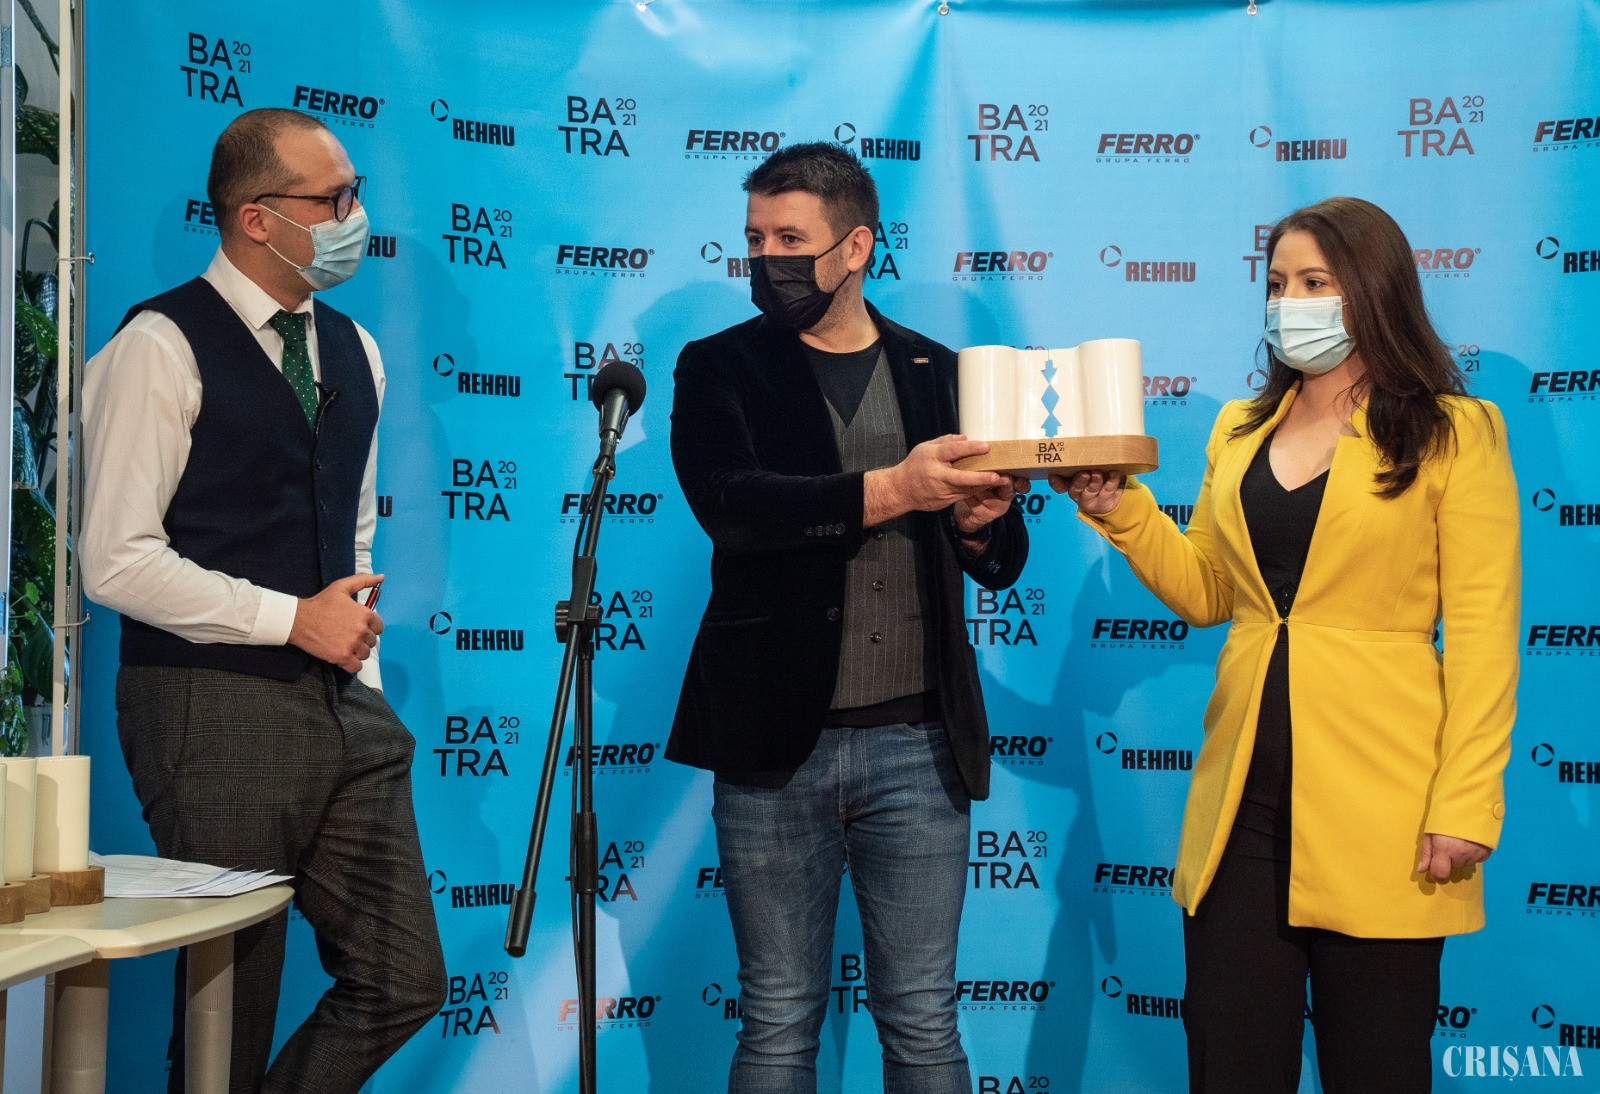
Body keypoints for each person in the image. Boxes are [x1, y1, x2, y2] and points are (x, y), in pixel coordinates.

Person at [1055, 196, 1518, 1093]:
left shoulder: (1456, 431)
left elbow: (1484, 636)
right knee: (1229, 1066)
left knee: (1376, 1069)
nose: (1288, 303)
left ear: (1373, 290)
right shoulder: (1239, 427)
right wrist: (1122, 509)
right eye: (1276, 284)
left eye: (1314, 283)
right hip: (1243, 813)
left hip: (1384, 810)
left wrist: (1466, 802)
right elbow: (1210, 593)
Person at [81, 108, 445, 1094]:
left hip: (341, 704)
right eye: (333, 199)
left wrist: (356, 669)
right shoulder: (159, 344)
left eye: (354, 193)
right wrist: (292, 620)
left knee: (404, 979)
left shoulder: (356, 348)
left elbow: (349, 536)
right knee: (228, 1016)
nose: (353, 216)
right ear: (256, 218)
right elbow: (114, 561)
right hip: (209, 706)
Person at [667, 141, 1030, 1093]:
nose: (767, 259)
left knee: (923, 1020)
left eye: (791, 239)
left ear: (856, 246)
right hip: (774, 749)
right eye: (756, 239)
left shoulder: (940, 370)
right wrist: (894, 488)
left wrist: (979, 526)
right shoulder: (718, 366)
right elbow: (733, 507)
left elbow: (1001, 559)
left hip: (920, 747)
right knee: (778, 1019)